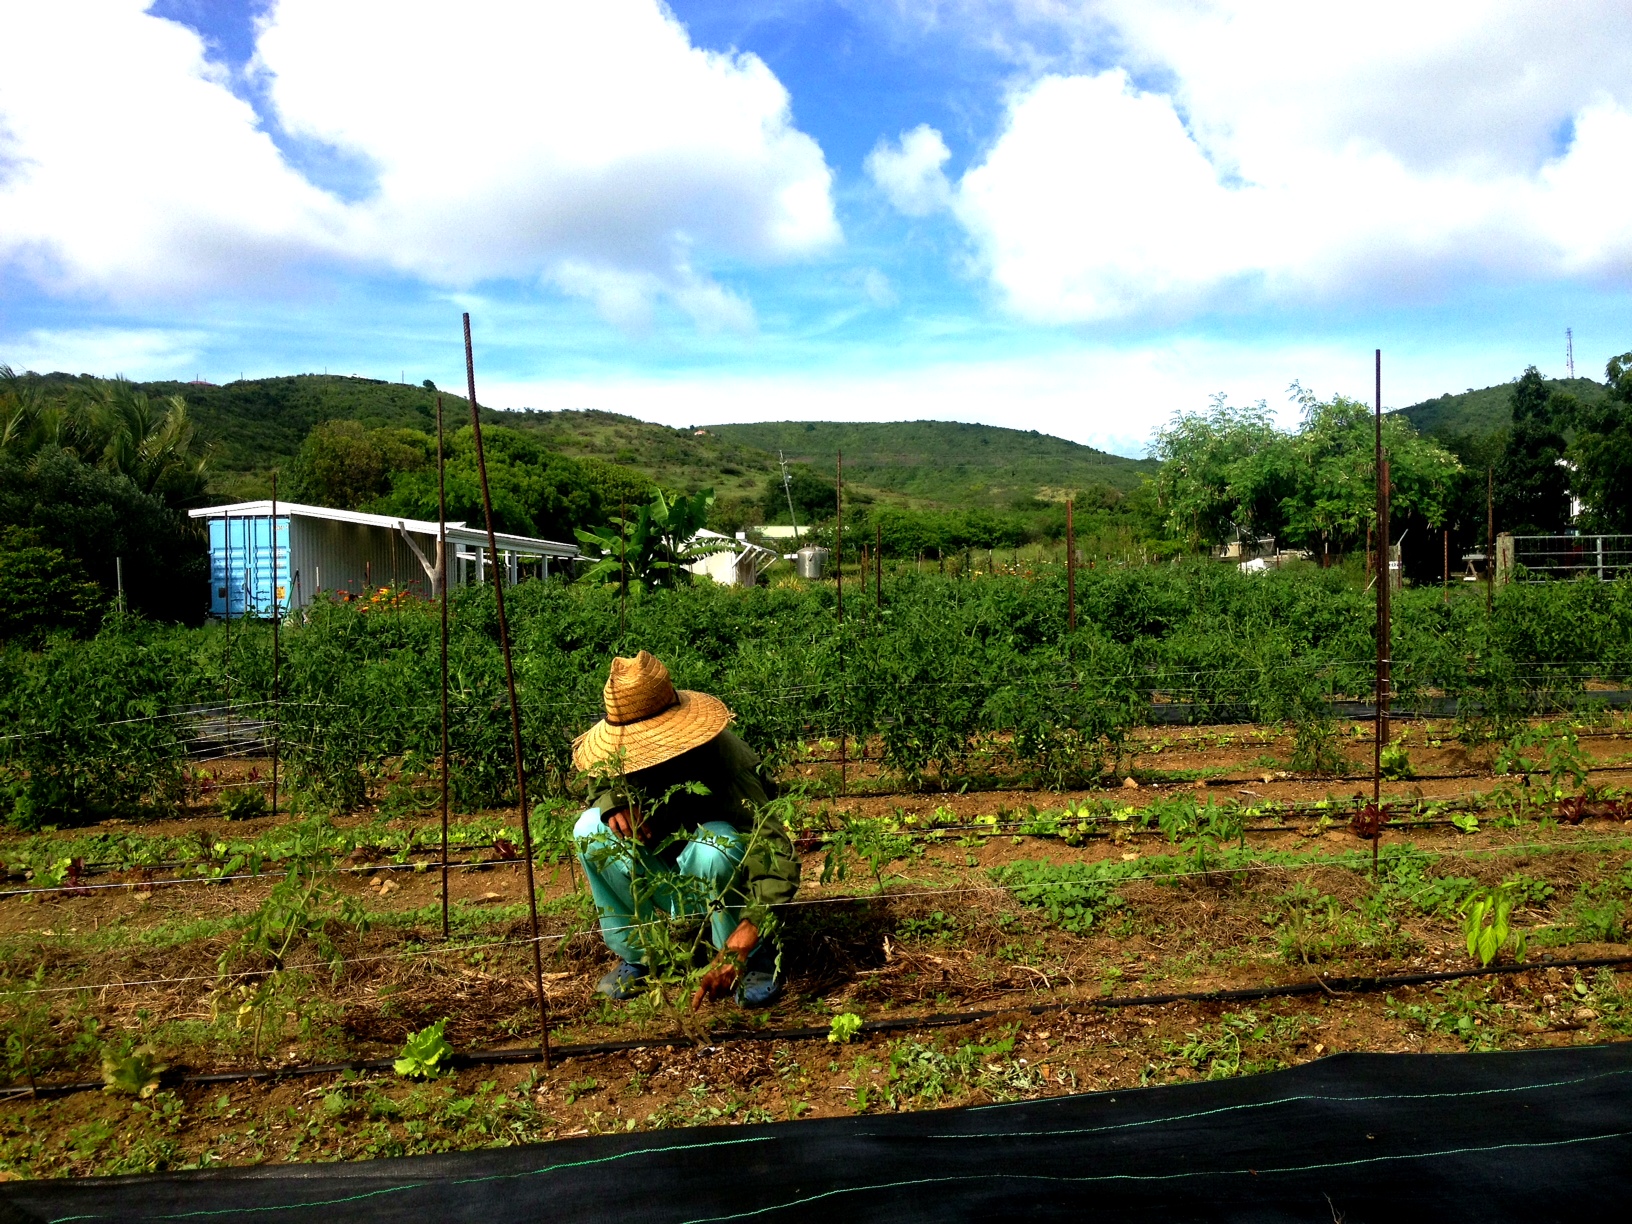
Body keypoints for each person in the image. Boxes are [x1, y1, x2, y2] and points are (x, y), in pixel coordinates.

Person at [571, 651, 799, 1007]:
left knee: (717, 845)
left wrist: (745, 938)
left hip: (716, 877)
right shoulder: (623, 757)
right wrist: (612, 801)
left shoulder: (728, 765)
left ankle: (753, 960)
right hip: (663, 873)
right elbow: (601, 778)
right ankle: (643, 956)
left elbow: (773, 854)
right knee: (589, 828)